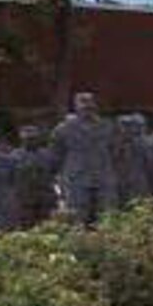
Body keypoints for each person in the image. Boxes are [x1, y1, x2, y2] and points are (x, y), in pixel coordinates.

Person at [51, 92, 118, 223]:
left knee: (107, 217)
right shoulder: (63, 129)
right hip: (76, 180)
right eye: (83, 105)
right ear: (76, 107)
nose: (87, 108)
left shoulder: (107, 127)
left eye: (90, 104)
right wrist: (60, 180)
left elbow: (116, 152)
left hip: (103, 178)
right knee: (77, 218)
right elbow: (56, 156)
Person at [114, 113, 153, 205]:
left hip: (140, 181)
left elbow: (150, 163)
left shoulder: (146, 142)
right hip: (121, 181)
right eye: (124, 125)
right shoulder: (117, 141)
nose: (127, 129)